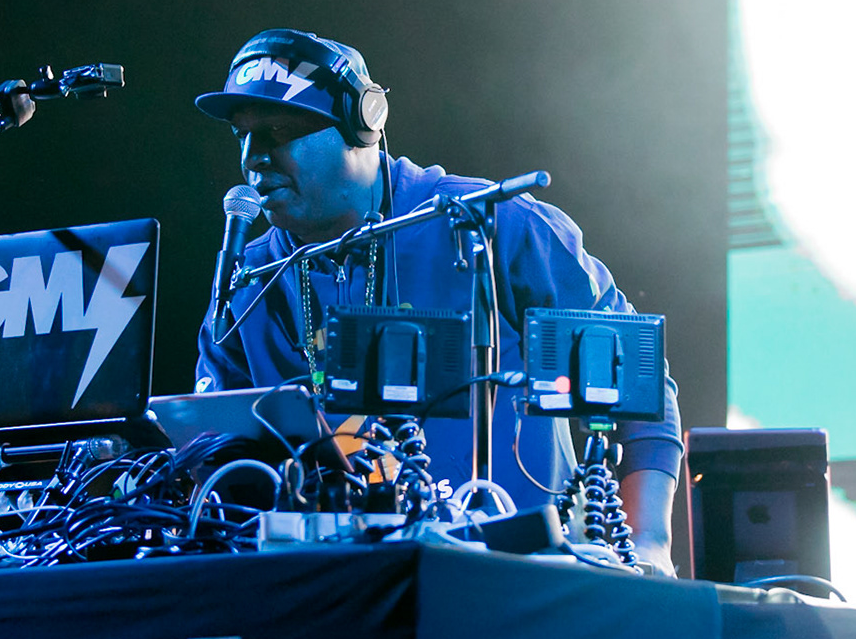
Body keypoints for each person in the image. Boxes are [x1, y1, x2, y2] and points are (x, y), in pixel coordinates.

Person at [193, 28, 683, 573]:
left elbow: (639, 378)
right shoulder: (245, 281)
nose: (254, 157)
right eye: (242, 135)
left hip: (525, 579)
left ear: (363, 126)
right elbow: (215, 451)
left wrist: (648, 538)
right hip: (345, 588)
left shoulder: (493, 223)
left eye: (278, 130)